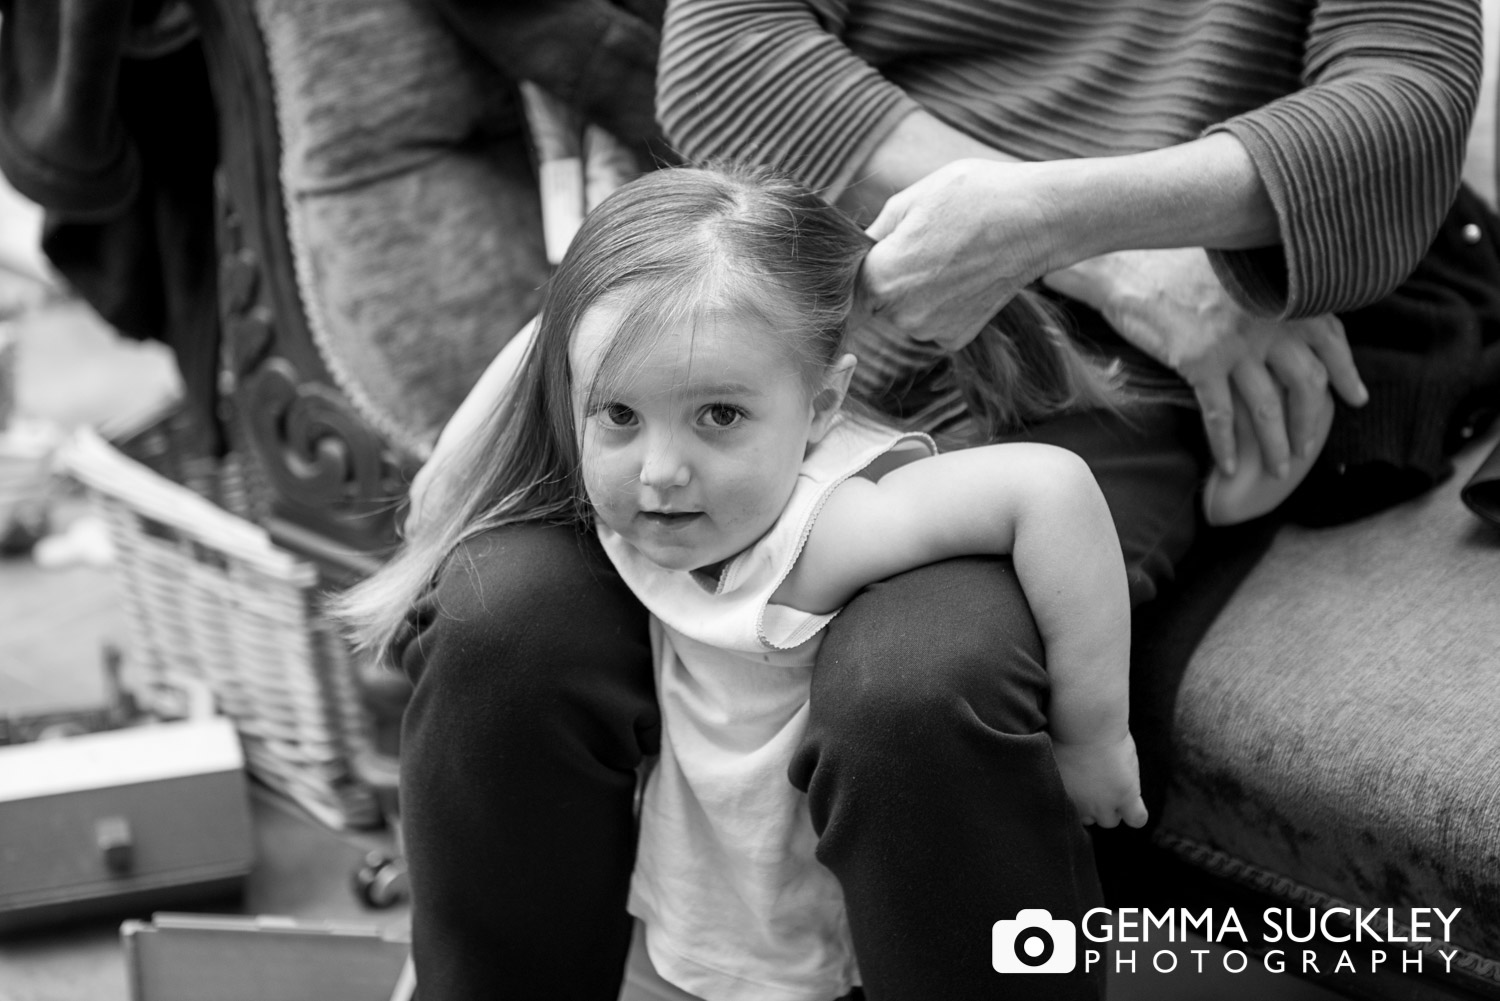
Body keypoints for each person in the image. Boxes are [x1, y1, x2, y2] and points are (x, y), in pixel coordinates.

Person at [374, 3, 1482, 999]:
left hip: (1111, 375)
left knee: (917, 686)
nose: (654, 473)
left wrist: (1068, 222)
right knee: (500, 624)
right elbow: (725, 57)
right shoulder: (677, 407)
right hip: (788, 311)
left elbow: (1404, 110)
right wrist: (1085, 255)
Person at [344, 161, 1155, 999]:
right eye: (619, 413)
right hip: (703, 908)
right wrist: (578, 304)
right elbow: (445, 488)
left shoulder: (822, 532)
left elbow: (1051, 489)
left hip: (826, 920)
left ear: (824, 406)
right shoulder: (631, 497)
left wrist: (1094, 733)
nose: (661, 471)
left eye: (719, 416)